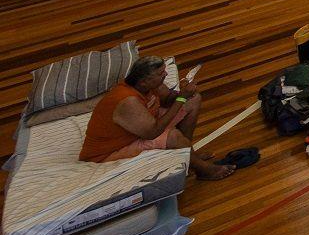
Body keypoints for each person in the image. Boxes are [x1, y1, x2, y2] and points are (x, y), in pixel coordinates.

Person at [78, 57, 248, 179]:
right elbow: (153, 132)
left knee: (193, 99)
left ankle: (188, 155)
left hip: (141, 127)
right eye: (161, 73)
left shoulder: (151, 85)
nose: (166, 74)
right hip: (111, 152)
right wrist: (181, 98)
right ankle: (204, 170)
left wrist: (183, 92)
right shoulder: (127, 101)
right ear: (144, 81)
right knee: (172, 135)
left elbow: (168, 99)